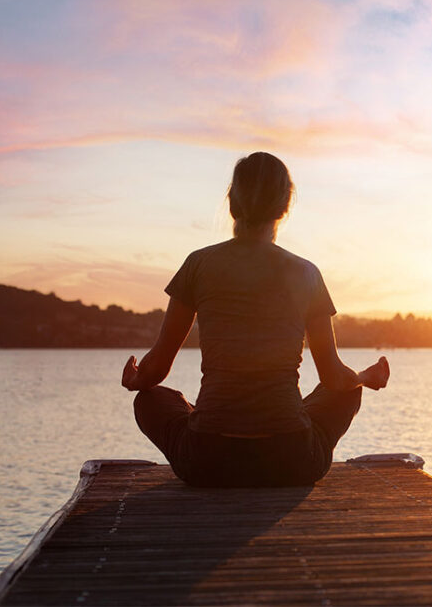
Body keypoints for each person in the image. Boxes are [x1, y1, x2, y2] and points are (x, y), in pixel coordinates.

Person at [121, 151, 389, 487]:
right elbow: (334, 379)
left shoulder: (198, 265)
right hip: (292, 460)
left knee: (151, 400)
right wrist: (365, 377)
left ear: (232, 204)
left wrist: (136, 379)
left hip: (206, 460)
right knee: (347, 391)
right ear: (284, 208)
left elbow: (156, 369)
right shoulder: (306, 273)